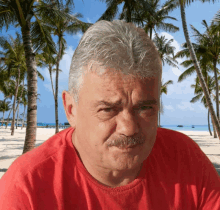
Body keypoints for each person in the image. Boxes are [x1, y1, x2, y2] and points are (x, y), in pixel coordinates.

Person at [0, 20, 219, 210]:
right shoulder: (26, 189)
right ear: (71, 110)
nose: (129, 127)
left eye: (144, 108)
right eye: (108, 109)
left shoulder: (186, 161)